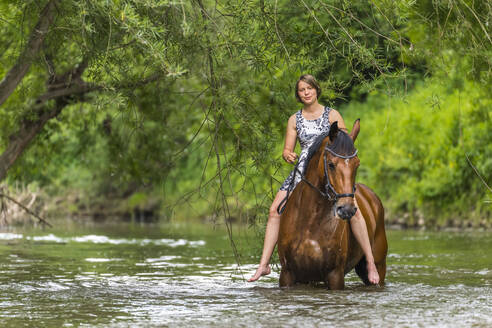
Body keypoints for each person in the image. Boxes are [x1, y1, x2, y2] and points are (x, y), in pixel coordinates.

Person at [247, 74, 380, 284]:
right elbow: (288, 149)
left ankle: (370, 261)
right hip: (303, 170)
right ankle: (263, 265)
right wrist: (287, 154)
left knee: (354, 211)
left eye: (309, 88)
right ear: (298, 95)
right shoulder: (294, 119)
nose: (306, 92)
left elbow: (344, 144)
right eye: (301, 90)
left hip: (331, 169)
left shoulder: (331, 114)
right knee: (274, 210)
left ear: (316, 90)